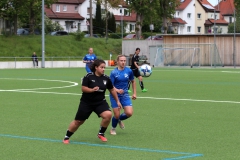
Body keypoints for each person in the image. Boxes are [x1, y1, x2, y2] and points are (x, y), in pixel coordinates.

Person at [62, 59, 121, 143]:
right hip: (86, 103)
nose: (103, 69)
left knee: (108, 115)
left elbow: (112, 90)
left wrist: (117, 101)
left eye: (104, 67)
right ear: (96, 67)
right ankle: (67, 137)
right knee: (78, 121)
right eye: (101, 67)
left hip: (100, 102)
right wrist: (92, 90)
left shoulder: (106, 78)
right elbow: (83, 89)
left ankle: (101, 134)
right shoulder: (88, 76)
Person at [109, 55, 137, 135]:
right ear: (117, 61)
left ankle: (118, 120)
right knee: (117, 114)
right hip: (115, 95)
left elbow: (133, 81)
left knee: (129, 113)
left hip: (125, 95)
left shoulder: (129, 71)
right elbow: (110, 85)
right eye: (121, 60)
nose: (123, 62)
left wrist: (134, 93)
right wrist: (117, 90)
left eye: (124, 60)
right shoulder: (114, 72)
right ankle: (113, 128)